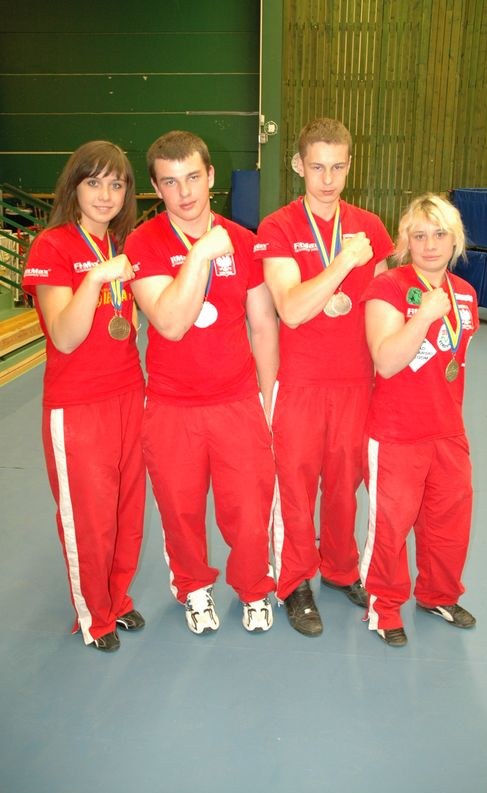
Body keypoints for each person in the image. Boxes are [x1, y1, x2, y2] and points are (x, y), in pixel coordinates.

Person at [124, 130, 277, 634]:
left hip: (238, 401)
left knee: (249, 507)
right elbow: (169, 322)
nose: (184, 192)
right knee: (180, 510)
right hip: (172, 405)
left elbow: (262, 326)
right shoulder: (143, 243)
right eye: (170, 182)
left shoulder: (245, 242)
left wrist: (269, 399)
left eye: (193, 177)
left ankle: (254, 588)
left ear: (210, 176)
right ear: (155, 187)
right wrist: (200, 255)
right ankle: (192, 587)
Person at [254, 118, 394, 636]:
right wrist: (342, 263)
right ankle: (294, 581)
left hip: (356, 383)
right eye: (317, 167)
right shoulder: (279, 227)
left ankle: (339, 568)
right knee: (293, 486)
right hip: (299, 384)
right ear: (298, 165)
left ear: (350, 165)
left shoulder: (371, 226)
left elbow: (381, 306)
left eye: (337, 167)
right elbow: (291, 309)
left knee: (343, 485)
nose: (328, 180)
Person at [22, 141, 146, 653]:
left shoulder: (120, 245)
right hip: (78, 405)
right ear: (73, 186)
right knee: (89, 518)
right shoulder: (51, 246)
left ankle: (116, 597)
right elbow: (65, 336)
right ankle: (94, 614)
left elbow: (128, 325)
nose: (105, 194)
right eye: (94, 182)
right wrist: (95, 278)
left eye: (116, 184)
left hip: (128, 394)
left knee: (126, 511)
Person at [360, 193, 478, 647]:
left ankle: (438, 595)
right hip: (396, 432)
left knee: (449, 522)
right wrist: (424, 316)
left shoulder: (465, 294)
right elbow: (386, 361)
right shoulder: (388, 287)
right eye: (420, 235)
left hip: (448, 430)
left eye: (440, 234)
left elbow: (454, 361)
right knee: (391, 527)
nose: (430, 245)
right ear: (405, 241)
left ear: (455, 241)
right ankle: (385, 607)